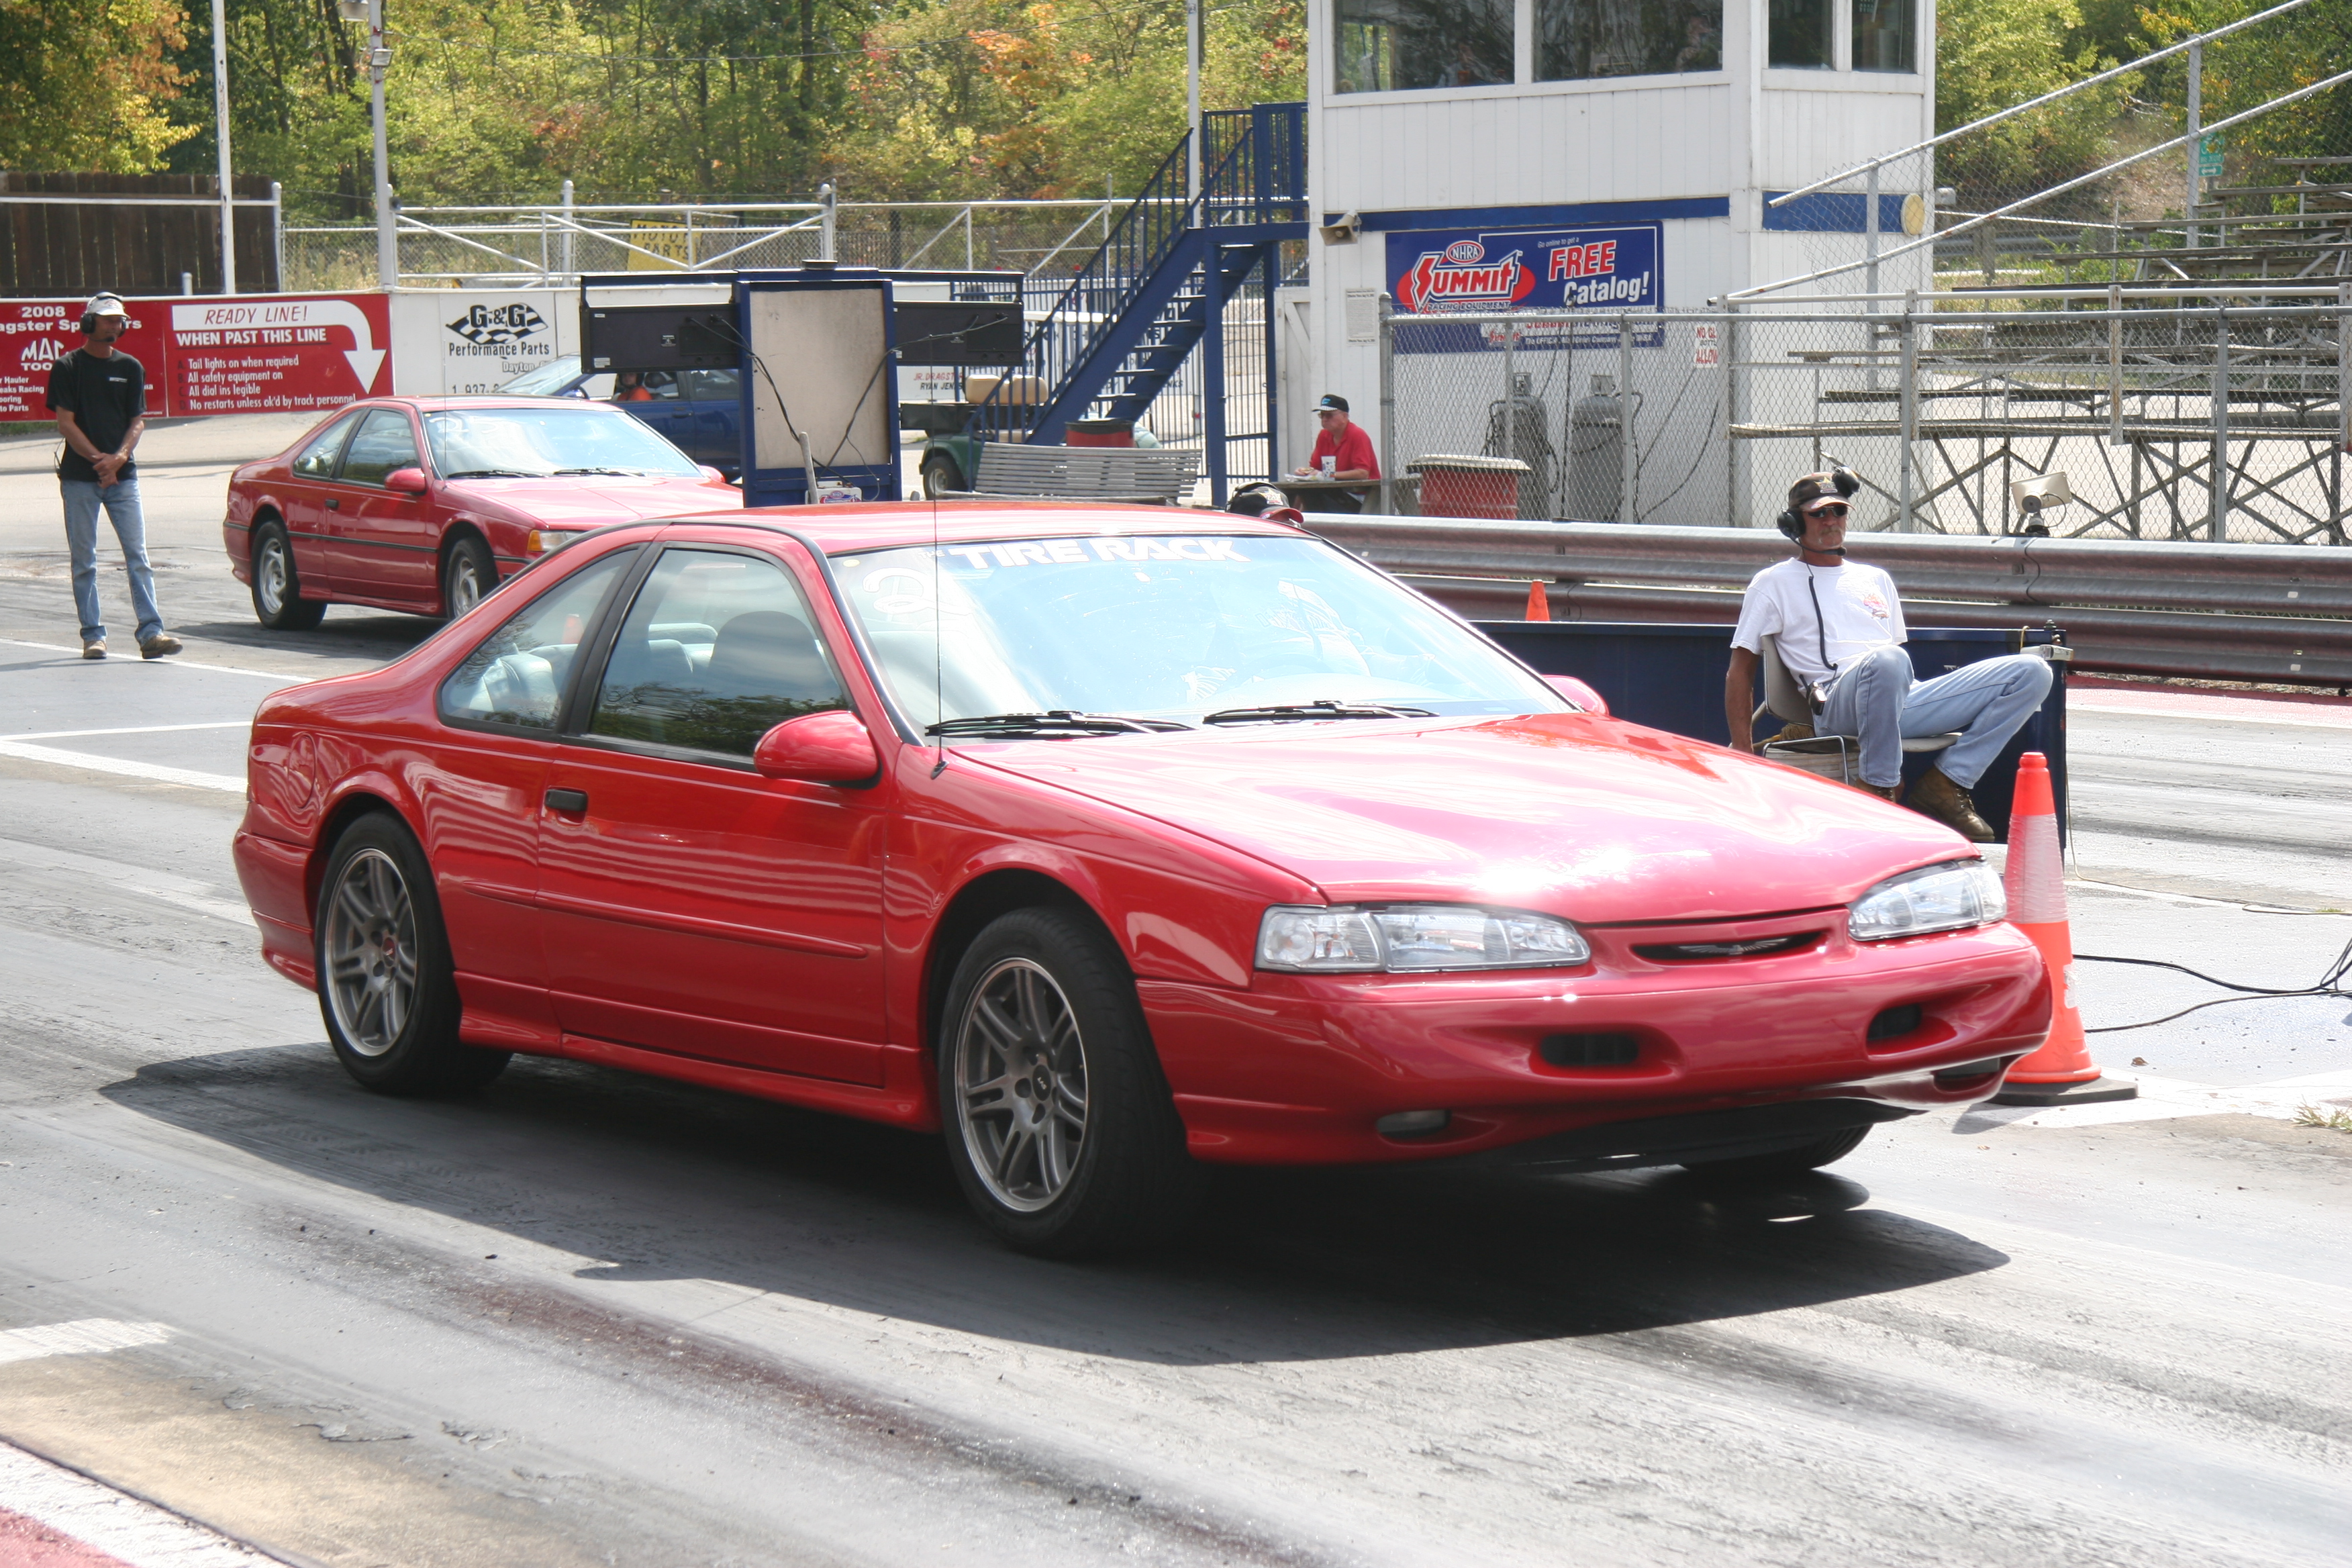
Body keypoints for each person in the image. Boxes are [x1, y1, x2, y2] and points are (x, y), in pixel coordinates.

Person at [1722, 470, 2051, 840]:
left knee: (2034, 672)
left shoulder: (1876, 578)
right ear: (1794, 523)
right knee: (1889, 661)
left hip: (1899, 695)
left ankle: (1947, 783)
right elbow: (1740, 669)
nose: (1831, 521)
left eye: (1838, 512)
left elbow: (1893, 663)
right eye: (1819, 514)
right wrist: (1745, 753)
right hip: (1836, 705)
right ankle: (1879, 788)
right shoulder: (1772, 583)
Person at [48, 293, 178, 660]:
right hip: (80, 479)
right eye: (106, 320)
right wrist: (98, 461)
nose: (114, 326)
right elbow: (65, 423)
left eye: (119, 320)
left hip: (123, 477)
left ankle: (152, 633)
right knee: (84, 560)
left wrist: (118, 459)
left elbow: (138, 420)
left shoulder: (131, 367)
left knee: (138, 556)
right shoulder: (68, 367)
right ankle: (93, 635)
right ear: (89, 324)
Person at [1292, 393, 1380, 515]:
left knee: (1311, 494)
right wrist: (1304, 472)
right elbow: (1316, 468)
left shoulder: (1358, 435)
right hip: (1337, 492)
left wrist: (1328, 475)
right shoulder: (1323, 435)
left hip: (1361, 496)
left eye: (1329, 415)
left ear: (1345, 416)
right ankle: (1292, 518)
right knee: (1300, 490)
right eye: (1322, 415)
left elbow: (1362, 473)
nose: (1324, 419)